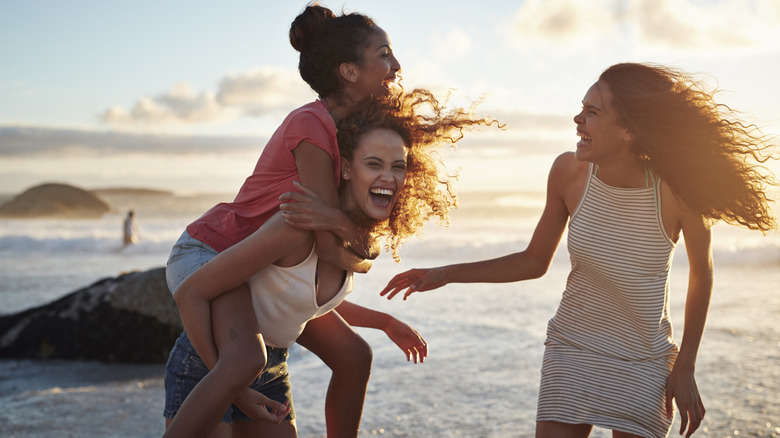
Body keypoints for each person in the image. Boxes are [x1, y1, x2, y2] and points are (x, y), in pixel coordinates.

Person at [380, 62, 777, 438]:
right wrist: (446, 273)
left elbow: (702, 275)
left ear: (629, 130)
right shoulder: (568, 173)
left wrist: (686, 364)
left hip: (644, 360)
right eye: (580, 109)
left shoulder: (677, 192)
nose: (577, 120)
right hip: (572, 348)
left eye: (592, 112)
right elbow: (534, 261)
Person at [165, 89, 494, 437]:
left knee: (357, 355)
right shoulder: (299, 225)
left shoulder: (353, 240)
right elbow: (192, 293)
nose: (389, 177)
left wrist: (384, 322)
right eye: (374, 164)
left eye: (398, 166)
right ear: (348, 168)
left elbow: (301, 300)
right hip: (212, 364)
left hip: (271, 368)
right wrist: (235, 387)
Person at [162, 4, 404, 437]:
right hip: (211, 249)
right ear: (349, 72)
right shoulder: (312, 126)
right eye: (384, 55)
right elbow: (330, 249)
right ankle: (234, 385)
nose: (396, 65)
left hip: (252, 261)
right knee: (245, 361)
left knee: (353, 355)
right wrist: (344, 231)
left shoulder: (349, 133)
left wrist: (355, 242)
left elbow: (339, 256)